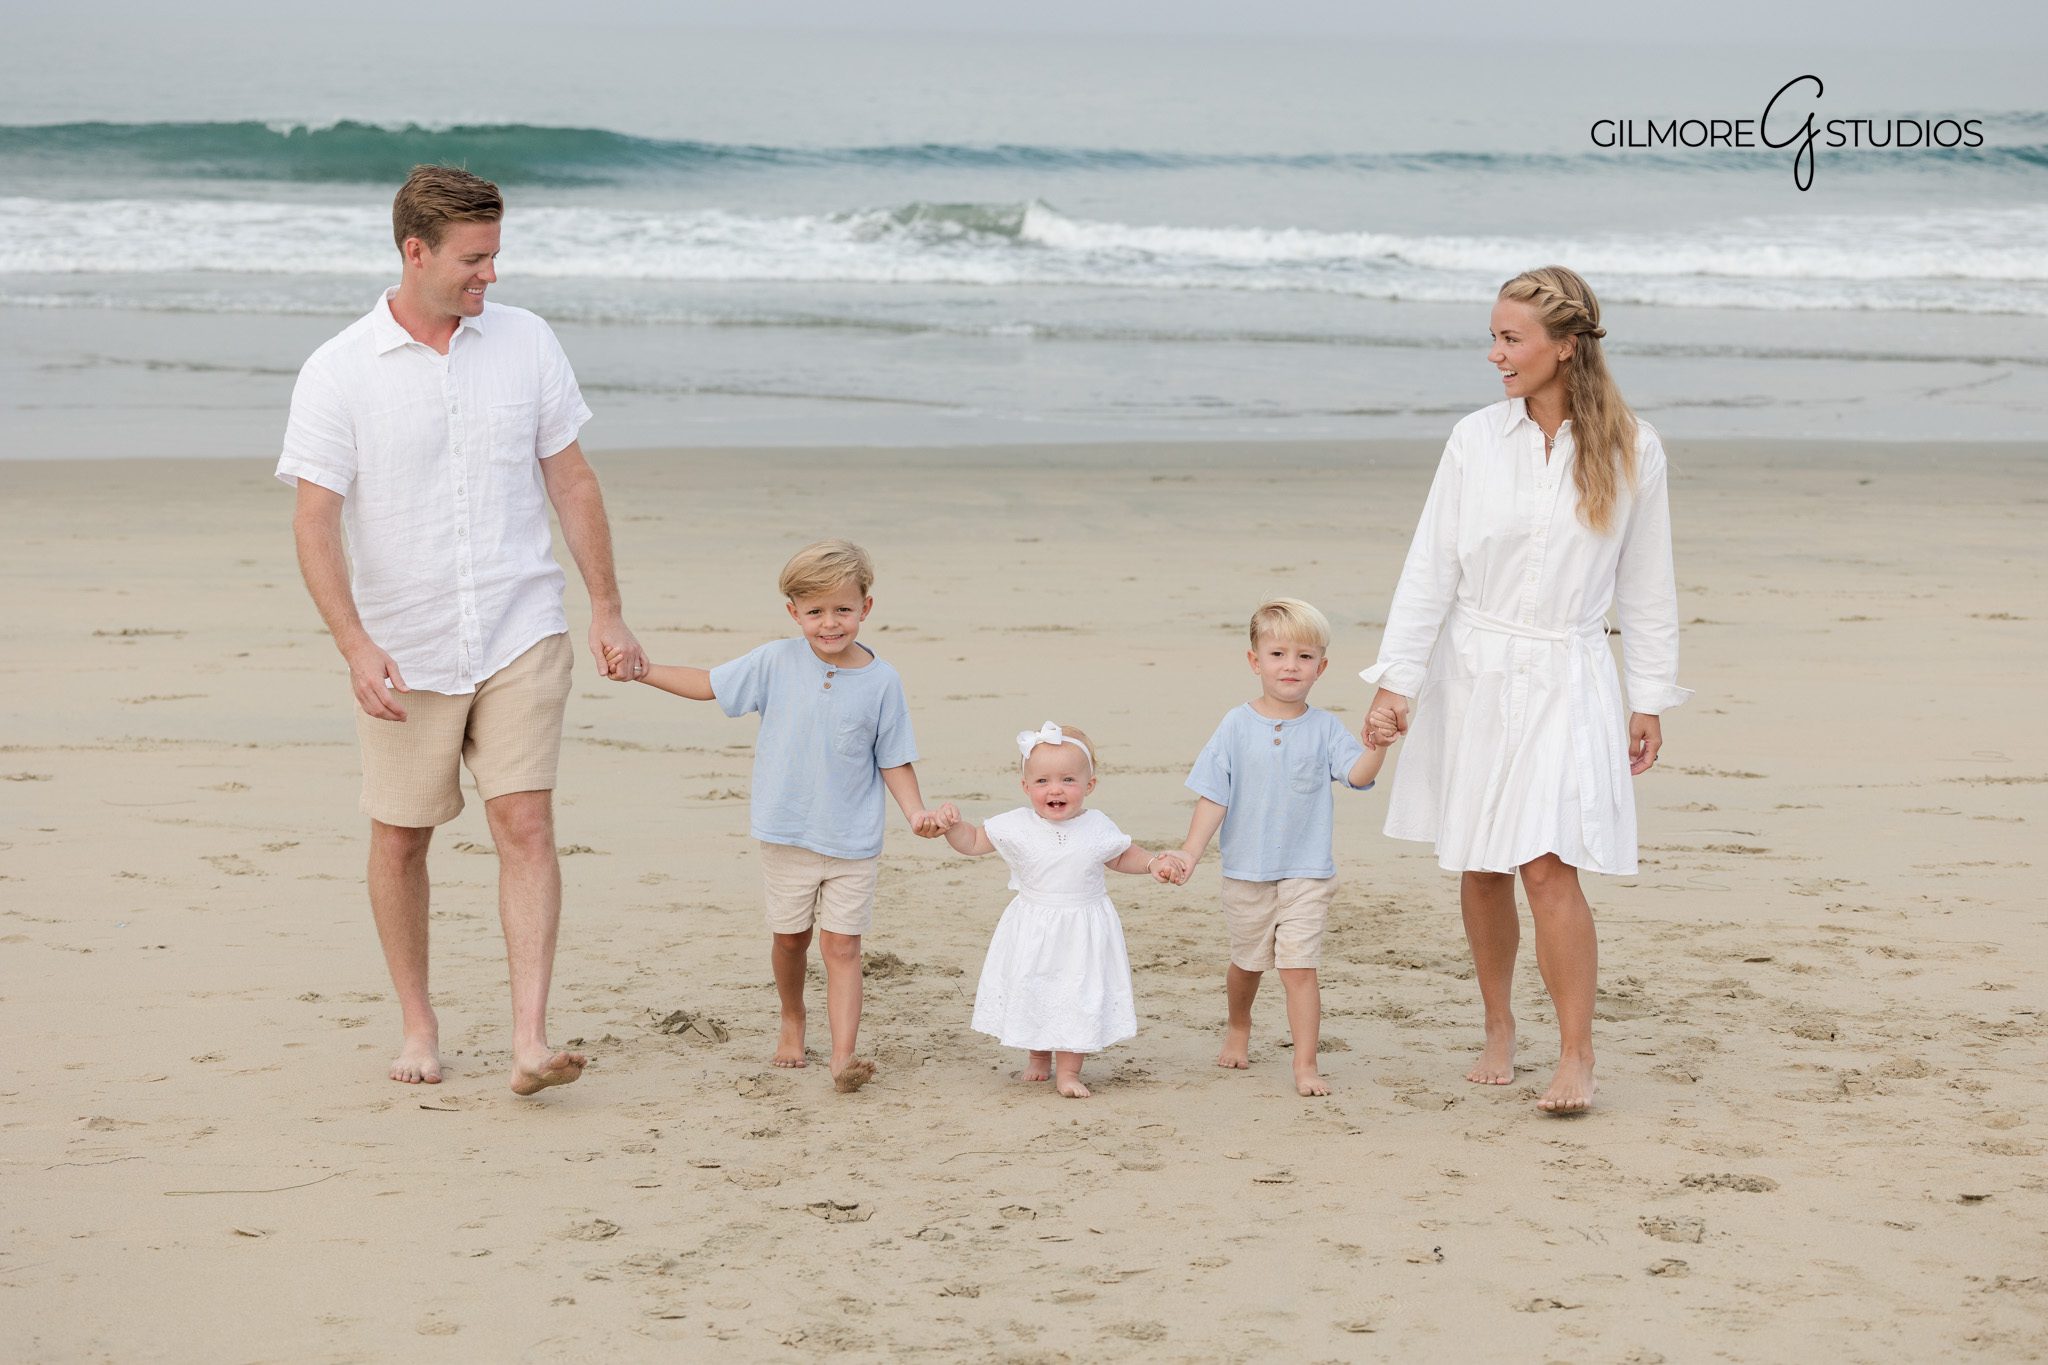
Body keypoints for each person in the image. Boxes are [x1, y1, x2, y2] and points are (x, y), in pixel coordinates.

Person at [280, 165, 645, 1096]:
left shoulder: (525, 341)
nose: (490, 276)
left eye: (495, 256)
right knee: (401, 837)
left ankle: (530, 1036)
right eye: (473, 259)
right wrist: (354, 644)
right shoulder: (339, 369)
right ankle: (419, 1020)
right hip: (408, 646)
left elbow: (572, 478)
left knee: (525, 820)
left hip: (522, 622)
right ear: (416, 250)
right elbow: (316, 518)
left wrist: (604, 605)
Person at [1359, 265, 1690, 1114]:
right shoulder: (1475, 439)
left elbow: (1648, 583)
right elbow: (1430, 565)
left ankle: (1577, 1053)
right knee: (1479, 863)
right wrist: (1396, 680)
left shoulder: (1632, 447)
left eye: (1511, 339)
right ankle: (1499, 1024)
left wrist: (1647, 693)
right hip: (1473, 667)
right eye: (1495, 336)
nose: (1495, 354)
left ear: (1565, 347)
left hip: (1568, 670)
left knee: (1548, 864)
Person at [608, 540, 943, 1092]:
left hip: (853, 839)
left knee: (843, 946)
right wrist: (641, 671)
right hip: (786, 833)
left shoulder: (884, 681)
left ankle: (843, 1056)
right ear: (794, 612)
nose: (829, 623)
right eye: (814, 612)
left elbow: (894, 757)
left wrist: (916, 814)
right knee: (791, 939)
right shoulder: (774, 661)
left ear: (866, 607)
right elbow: (707, 684)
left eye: (842, 610)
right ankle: (792, 1016)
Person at [1157, 599, 1390, 1097]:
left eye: (1305, 657)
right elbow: (1214, 796)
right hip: (1245, 871)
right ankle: (1238, 1026)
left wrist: (1379, 747)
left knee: (1298, 966)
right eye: (1278, 653)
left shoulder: (1326, 727)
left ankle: (1305, 1065)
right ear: (1254, 660)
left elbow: (1356, 776)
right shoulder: (1235, 725)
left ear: (1321, 667)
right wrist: (1189, 854)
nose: (1291, 666)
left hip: (1307, 872)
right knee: (1247, 963)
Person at [933, 723, 1182, 1099]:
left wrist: (1151, 864)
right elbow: (972, 842)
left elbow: (1120, 854)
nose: (1055, 789)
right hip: (1033, 924)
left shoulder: (1097, 825)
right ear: (1026, 787)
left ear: (1089, 785)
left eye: (1068, 780)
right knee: (1034, 988)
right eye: (1043, 781)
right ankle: (1037, 1057)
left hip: (1083, 927)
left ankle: (1068, 1070)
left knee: (1075, 993)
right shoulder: (1016, 824)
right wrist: (951, 827)